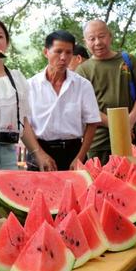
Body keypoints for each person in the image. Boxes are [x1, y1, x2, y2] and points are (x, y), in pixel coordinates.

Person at [0, 18, 52, 171]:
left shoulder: (17, 78)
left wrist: (38, 153)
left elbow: (23, 120)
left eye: (0, 36)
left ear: (6, 44)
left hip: (8, 150)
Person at [76, 20, 136, 163]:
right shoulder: (82, 70)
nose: (97, 42)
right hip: (99, 141)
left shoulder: (128, 60)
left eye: (101, 36)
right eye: (92, 39)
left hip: (132, 136)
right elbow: (84, 107)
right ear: (85, 42)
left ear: (110, 36)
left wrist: (129, 121)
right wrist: (119, 126)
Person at [28, 31, 100, 170]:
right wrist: (39, 154)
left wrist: (80, 157)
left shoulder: (82, 85)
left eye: (68, 53)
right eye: (58, 51)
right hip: (39, 151)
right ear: (46, 52)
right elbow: (25, 124)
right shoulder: (30, 86)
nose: (63, 57)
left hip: (73, 152)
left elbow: (92, 123)